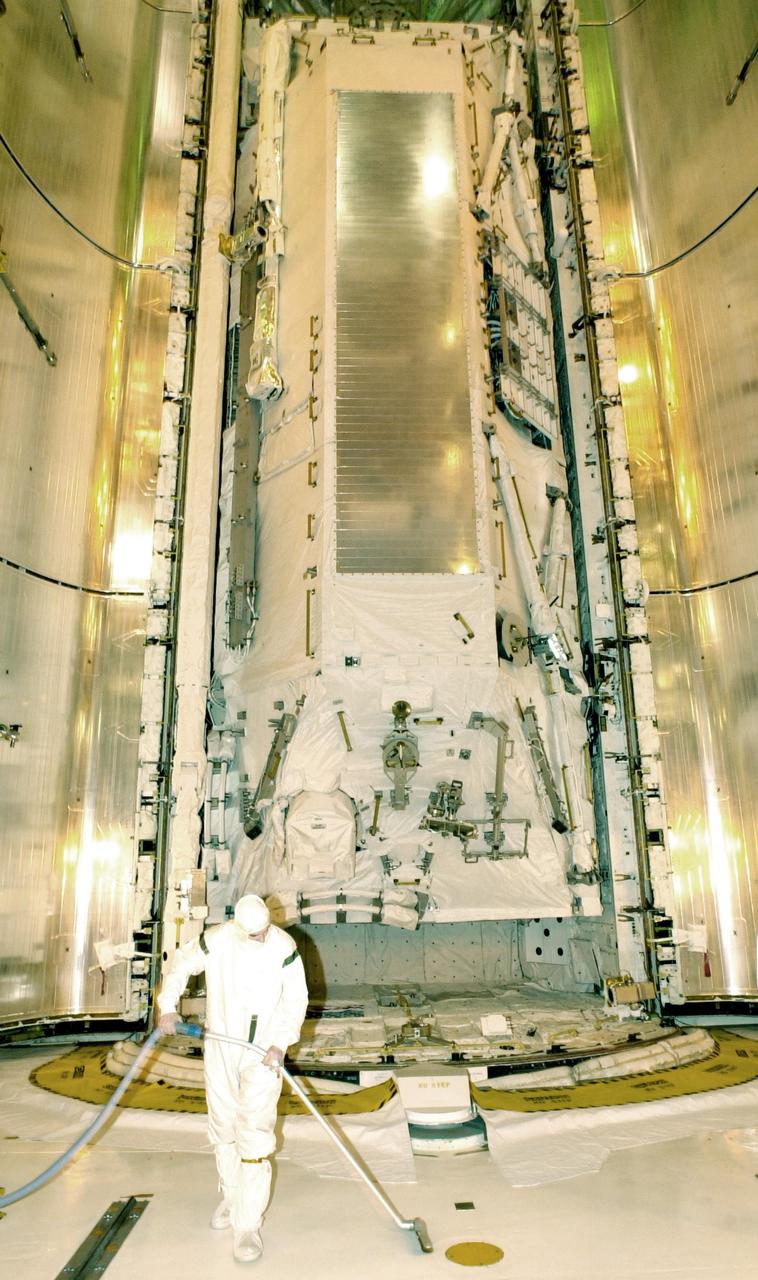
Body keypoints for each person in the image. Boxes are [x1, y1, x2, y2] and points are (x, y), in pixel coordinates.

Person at [156, 894, 308, 1263]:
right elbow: (181, 964)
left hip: (263, 1053)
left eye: (265, 930)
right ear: (238, 928)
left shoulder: (283, 947)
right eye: (254, 934)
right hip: (221, 1046)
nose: (261, 937)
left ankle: (247, 1224)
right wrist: (168, 1007)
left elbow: (296, 999)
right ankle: (232, 1196)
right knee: (223, 1126)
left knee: (254, 1133)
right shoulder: (218, 939)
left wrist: (281, 1042)